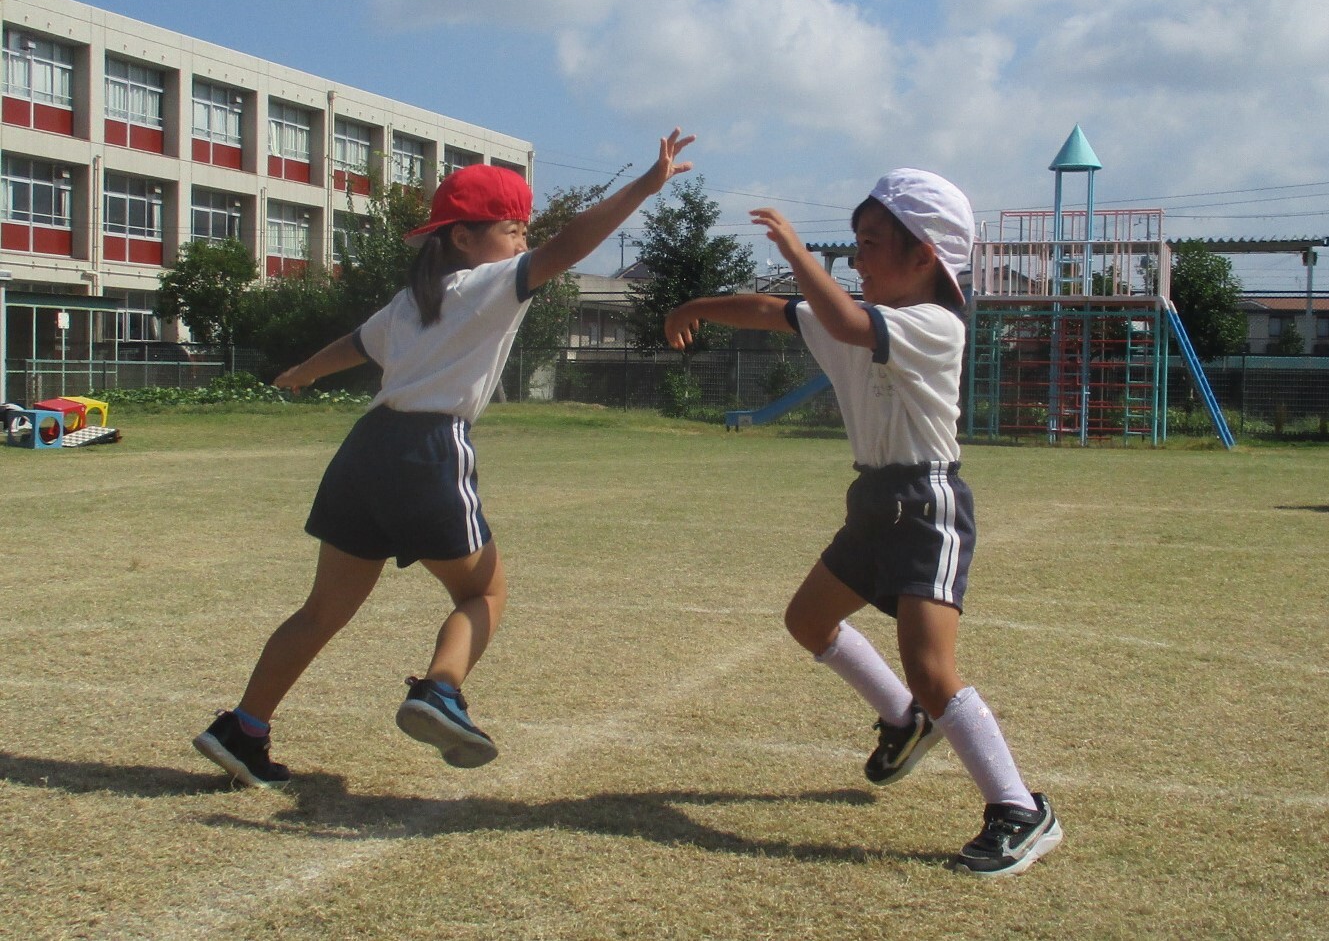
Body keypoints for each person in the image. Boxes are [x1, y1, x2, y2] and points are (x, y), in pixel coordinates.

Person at [195, 128, 696, 789]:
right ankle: (440, 690)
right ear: (464, 237)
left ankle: (244, 727)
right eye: (513, 228)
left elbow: (354, 343)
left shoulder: (411, 302)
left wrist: (303, 372)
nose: (522, 242)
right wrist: (644, 186)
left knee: (322, 609)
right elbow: (571, 244)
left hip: (364, 450)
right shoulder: (488, 285)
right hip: (427, 451)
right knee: (483, 590)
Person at [663, 169, 1062, 877]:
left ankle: (1020, 809)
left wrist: (795, 250)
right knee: (807, 620)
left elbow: (841, 318)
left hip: (927, 506)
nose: (855, 258)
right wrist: (695, 302)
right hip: (873, 501)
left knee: (933, 668)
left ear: (925, 257)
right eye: (852, 242)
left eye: (871, 242)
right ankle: (902, 718)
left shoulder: (935, 325)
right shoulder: (856, 314)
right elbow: (770, 309)